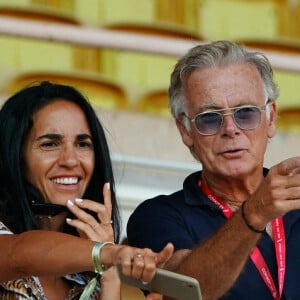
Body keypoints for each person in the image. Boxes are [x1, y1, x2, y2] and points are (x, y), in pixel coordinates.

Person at [127, 40, 300, 300]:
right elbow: (183, 292)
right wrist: (254, 213)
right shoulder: (157, 216)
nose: (230, 128)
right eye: (209, 118)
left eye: (246, 113)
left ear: (271, 118)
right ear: (185, 130)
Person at [0, 81, 174, 299]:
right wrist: (109, 253)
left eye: (83, 144)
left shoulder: (88, 271)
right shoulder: (100, 254)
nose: (71, 160)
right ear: (15, 155)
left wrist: (109, 276)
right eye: (50, 144)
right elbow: (18, 254)